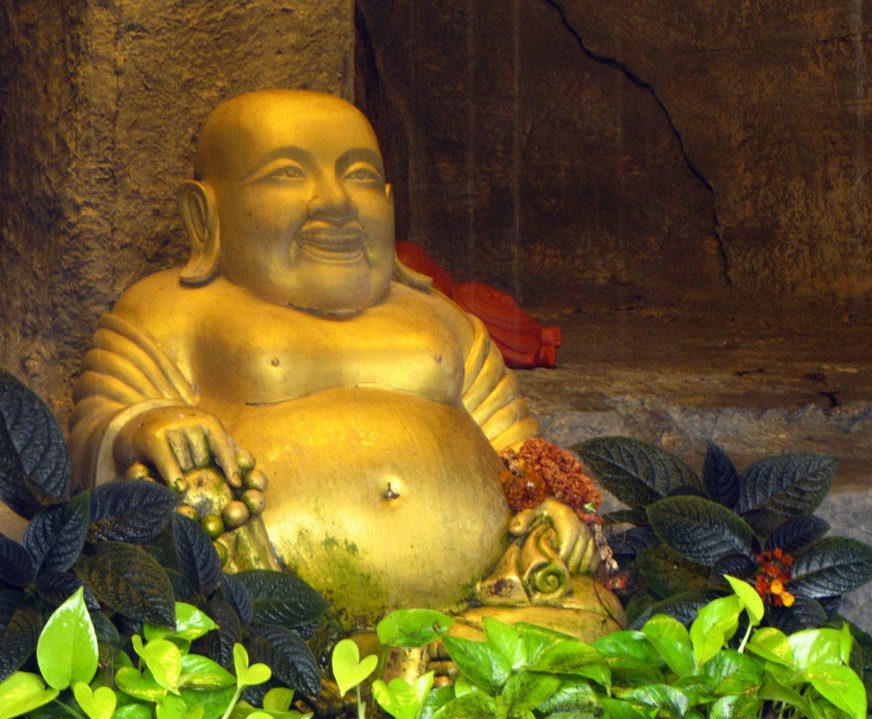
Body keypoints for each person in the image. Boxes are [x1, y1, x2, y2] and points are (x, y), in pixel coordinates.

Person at [70, 89, 603, 627]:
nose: (336, 202)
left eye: (360, 176)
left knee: (588, 620)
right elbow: (95, 432)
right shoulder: (172, 312)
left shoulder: (442, 319)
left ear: (390, 204)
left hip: (490, 600)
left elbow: (519, 450)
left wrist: (554, 509)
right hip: (268, 612)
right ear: (204, 214)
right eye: (287, 174)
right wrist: (145, 426)